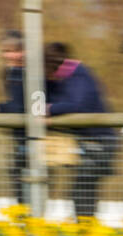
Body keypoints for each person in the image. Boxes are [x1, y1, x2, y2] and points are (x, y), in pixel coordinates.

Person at [43, 42, 117, 220]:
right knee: (80, 190)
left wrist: (49, 109)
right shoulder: (60, 78)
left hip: (99, 141)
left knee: (82, 190)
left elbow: (77, 104)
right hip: (83, 141)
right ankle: (84, 230)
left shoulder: (79, 75)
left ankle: (86, 232)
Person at [0, 31, 26, 203]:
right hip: (19, 137)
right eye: (7, 51)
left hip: (31, 137)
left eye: (16, 50)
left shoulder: (26, 72)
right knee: (17, 180)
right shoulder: (10, 72)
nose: (11, 55)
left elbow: (20, 106)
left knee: (25, 182)